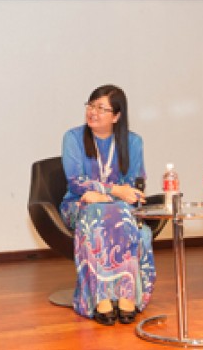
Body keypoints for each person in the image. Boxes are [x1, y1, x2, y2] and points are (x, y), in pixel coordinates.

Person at [59, 84, 155, 326]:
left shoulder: (133, 142)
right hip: (77, 205)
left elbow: (133, 186)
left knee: (119, 215)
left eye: (101, 108)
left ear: (116, 116)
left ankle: (125, 295)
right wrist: (114, 191)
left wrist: (103, 194)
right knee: (97, 214)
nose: (93, 112)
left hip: (118, 208)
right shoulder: (73, 138)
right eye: (91, 106)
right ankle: (100, 299)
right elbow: (76, 182)